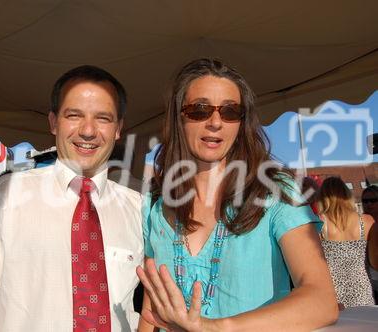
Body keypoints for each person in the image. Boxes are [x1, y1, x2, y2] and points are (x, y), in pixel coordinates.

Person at [0, 65, 143, 331]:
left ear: (118, 128)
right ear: (53, 122)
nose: (88, 130)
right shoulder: (6, 196)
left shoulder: (139, 209)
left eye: (103, 118)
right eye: (74, 115)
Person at [136, 58, 338, 331]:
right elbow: (152, 307)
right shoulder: (155, 206)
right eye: (200, 109)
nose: (216, 122)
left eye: (230, 112)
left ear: (242, 123)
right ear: (179, 117)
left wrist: (215, 327)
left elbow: (322, 300)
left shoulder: (275, 191)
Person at [318, 177, 375, 308]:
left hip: (333, 297)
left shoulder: (320, 223)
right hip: (362, 292)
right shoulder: (366, 221)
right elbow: (374, 263)